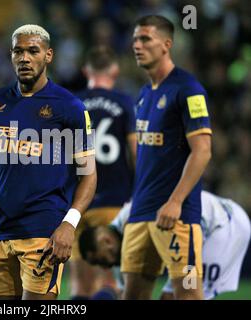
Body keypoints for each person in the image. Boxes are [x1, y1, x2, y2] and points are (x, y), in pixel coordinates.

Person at [0, 24, 97, 300]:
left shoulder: (70, 107)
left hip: (43, 234)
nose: (25, 58)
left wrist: (69, 224)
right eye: (18, 51)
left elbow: (89, 175)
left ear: (48, 55)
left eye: (33, 51)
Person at [122, 15, 212, 300]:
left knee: (188, 295)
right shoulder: (144, 93)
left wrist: (175, 201)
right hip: (140, 215)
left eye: (146, 38)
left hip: (176, 218)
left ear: (167, 44)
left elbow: (203, 150)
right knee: (132, 295)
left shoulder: (188, 89)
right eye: (136, 39)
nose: (137, 45)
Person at [79, 191, 251, 300]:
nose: (104, 266)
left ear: (106, 241)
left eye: (100, 260)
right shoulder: (120, 250)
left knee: (182, 295)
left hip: (224, 225)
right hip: (203, 227)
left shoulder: (134, 219)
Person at [69, 46, 136, 300]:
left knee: (80, 286)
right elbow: (135, 152)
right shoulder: (124, 102)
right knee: (112, 283)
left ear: (86, 71)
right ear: (115, 71)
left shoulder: (72, 103)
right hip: (115, 202)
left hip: (76, 204)